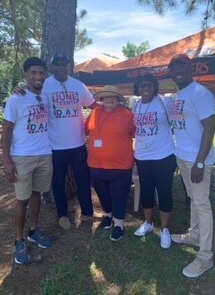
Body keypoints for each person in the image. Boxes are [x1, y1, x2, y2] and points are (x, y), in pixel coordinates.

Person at [168, 54, 215, 278]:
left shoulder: (200, 93)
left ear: (190, 69)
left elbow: (210, 128)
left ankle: (205, 257)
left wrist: (199, 162)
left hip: (197, 161)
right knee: (195, 201)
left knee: (202, 204)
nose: (177, 71)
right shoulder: (179, 94)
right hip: (183, 158)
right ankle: (194, 235)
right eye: (173, 68)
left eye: (181, 67)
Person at [2, 57, 53, 264]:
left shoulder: (46, 95)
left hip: (44, 154)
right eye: (33, 73)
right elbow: (6, 132)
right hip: (22, 156)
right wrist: (7, 161)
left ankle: (33, 230)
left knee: (36, 194)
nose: (38, 76)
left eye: (41, 73)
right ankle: (19, 240)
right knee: (22, 200)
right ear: (26, 75)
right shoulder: (16, 99)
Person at [43, 52, 97, 230]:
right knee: (58, 181)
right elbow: (33, 103)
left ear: (68, 66)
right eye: (57, 64)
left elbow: (92, 105)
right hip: (55, 145)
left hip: (78, 143)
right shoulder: (45, 85)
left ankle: (88, 212)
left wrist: (111, 108)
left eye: (63, 64)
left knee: (83, 178)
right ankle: (62, 214)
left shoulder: (78, 85)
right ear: (52, 67)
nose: (60, 67)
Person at [85, 85, 135, 241]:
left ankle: (119, 224)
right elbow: (85, 130)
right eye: (106, 97)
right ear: (101, 99)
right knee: (103, 193)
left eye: (113, 97)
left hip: (121, 165)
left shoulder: (127, 114)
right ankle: (108, 215)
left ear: (119, 99)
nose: (109, 99)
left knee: (119, 195)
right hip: (96, 163)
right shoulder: (94, 113)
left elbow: (134, 133)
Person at [133, 73, 177, 249]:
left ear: (154, 87)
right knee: (146, 190)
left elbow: (178, 123)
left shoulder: (164, 103)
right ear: (138, 88)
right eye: (142, 86)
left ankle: (165, 229)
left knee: (164, 190)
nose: (146, 89)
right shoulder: (135, 105)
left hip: (164, 155)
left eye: (149, 85)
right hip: (143, 156)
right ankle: (148, 223)